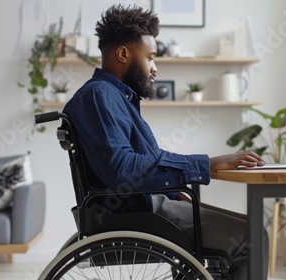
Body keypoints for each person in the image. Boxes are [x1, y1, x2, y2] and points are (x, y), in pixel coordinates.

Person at [63, 4, 269, 279]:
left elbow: (146, 159)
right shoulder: (100, 97)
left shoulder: (114, 98)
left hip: (146, 206)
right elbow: (123, 170)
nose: (154, 67)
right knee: (253, 235)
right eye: (150, 57)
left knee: (249, 226)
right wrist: (206, 164)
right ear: (123, 54)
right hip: (138, 214)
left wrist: (176, 192)